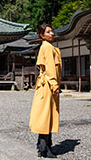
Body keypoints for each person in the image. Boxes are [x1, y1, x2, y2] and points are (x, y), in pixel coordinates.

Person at [29, 24, 61, 158]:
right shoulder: (47, 47)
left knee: (45, 116)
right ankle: (44, 148)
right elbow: (49, 69)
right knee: (46, 117)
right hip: (48, 85)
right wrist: (54, 85)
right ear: (42, 35)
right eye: (48, 32)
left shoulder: (46, 46)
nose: (52, 33)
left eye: (52, 31)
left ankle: (43, 145)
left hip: (46, 84)